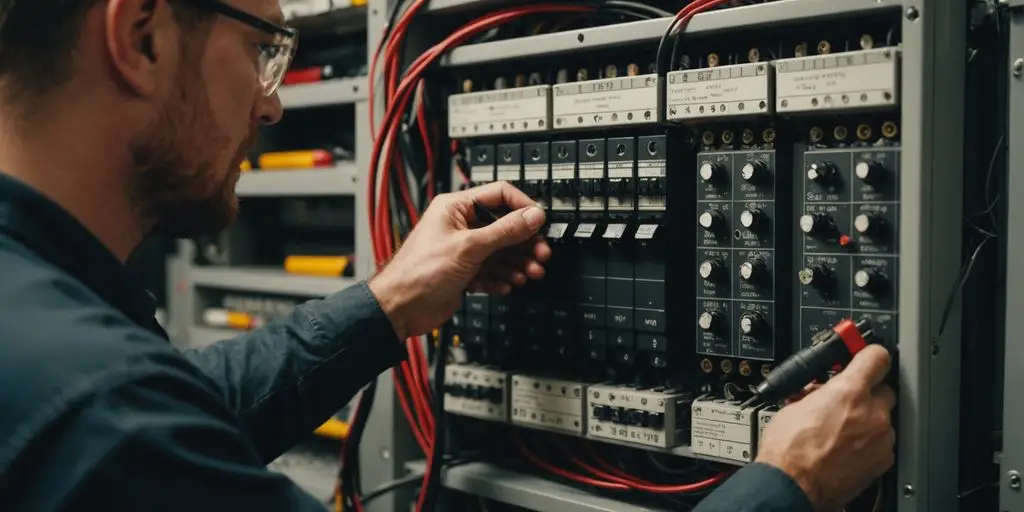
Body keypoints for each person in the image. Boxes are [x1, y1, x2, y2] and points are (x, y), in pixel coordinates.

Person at [0, 0, 895, 510]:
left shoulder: (45, 330)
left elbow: (183, 410)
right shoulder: (98, 411)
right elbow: (139, 420)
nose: (271, 107)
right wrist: (787, 487)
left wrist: (387, 304)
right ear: (141, 34)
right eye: (261, 50)